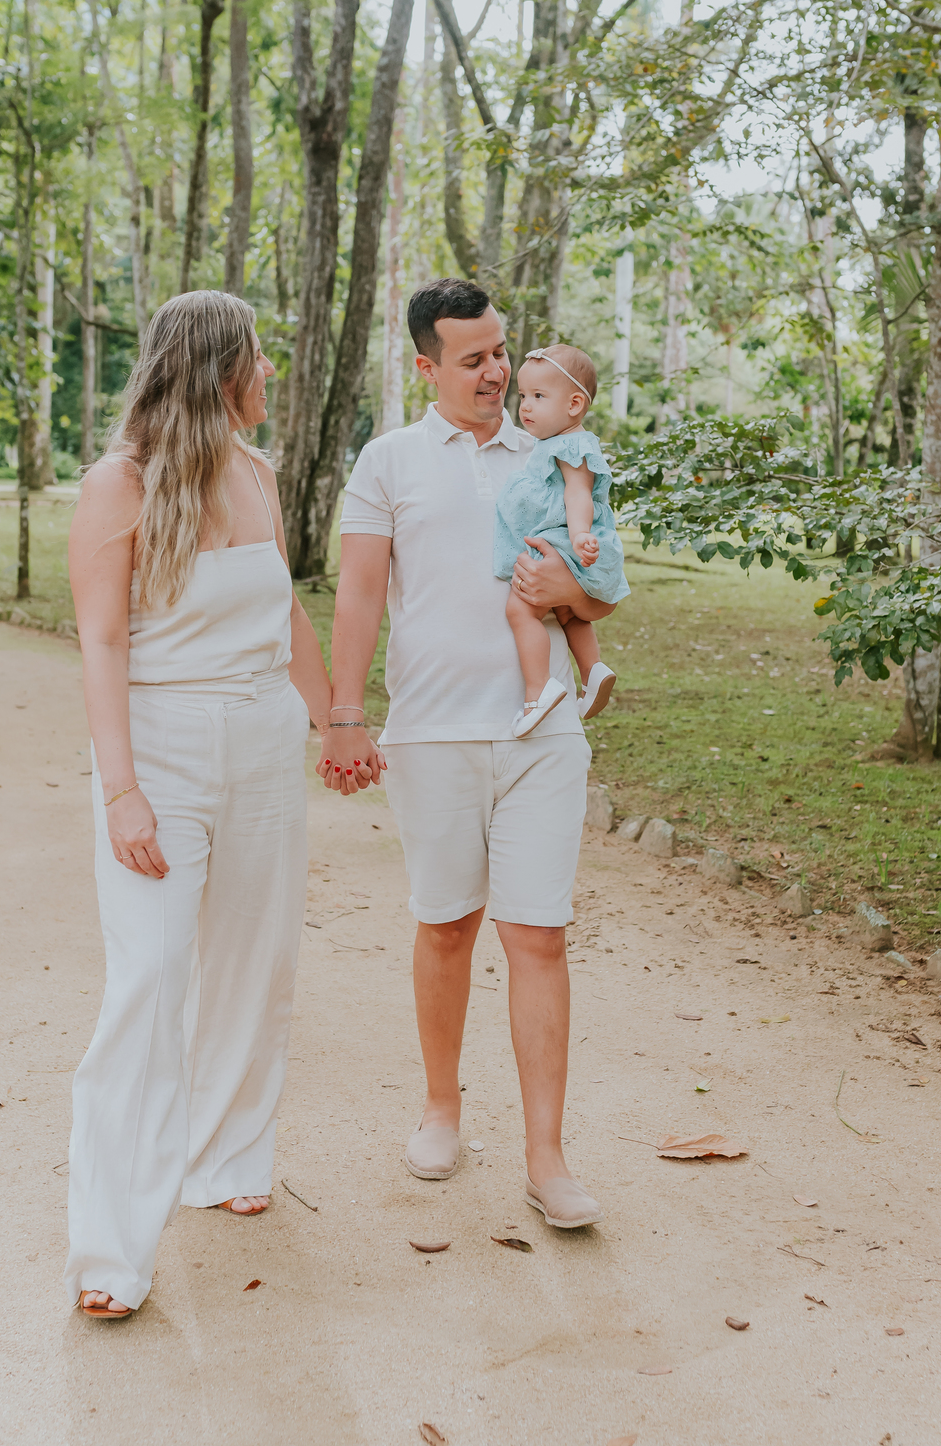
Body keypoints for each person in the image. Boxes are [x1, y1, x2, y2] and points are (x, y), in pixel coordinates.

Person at [64, 290, 336, 1319]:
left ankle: (225, 1156)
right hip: (162, 749)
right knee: (149, 980)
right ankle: (111, 1253)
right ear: (223, 369)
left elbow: (285, 613)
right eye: (261, 359)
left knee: (256, 961)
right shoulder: (119, 484)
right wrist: (124, 791)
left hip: (263, 739)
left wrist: (338, 720)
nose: (271, 376)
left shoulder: (257, 472)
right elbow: (101, 643)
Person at [324, 278, 616, 1230]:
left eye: (501, 352)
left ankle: (547, 1157)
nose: (496, 372)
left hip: (542, 732)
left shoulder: (556, 452)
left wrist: (571, 589)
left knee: (538, 934)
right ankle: (441, 1107)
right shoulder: (389, 460)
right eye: (474, 359)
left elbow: (600, 592)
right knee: (447, 924)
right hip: (433, 732)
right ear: (427, 366)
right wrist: (343, 715)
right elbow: (361, 594)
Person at [494, 344, 628, 736]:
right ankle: (593, 670)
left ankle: (538, 691)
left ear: (573, 405)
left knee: (521, 611)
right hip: (567, 537)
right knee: (567, 613)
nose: (526, 407)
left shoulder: (571, 445)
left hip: (567, 538)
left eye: (538, 396)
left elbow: (578, 493)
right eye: (523, 396)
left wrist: (580, 533)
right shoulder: (555, 443)